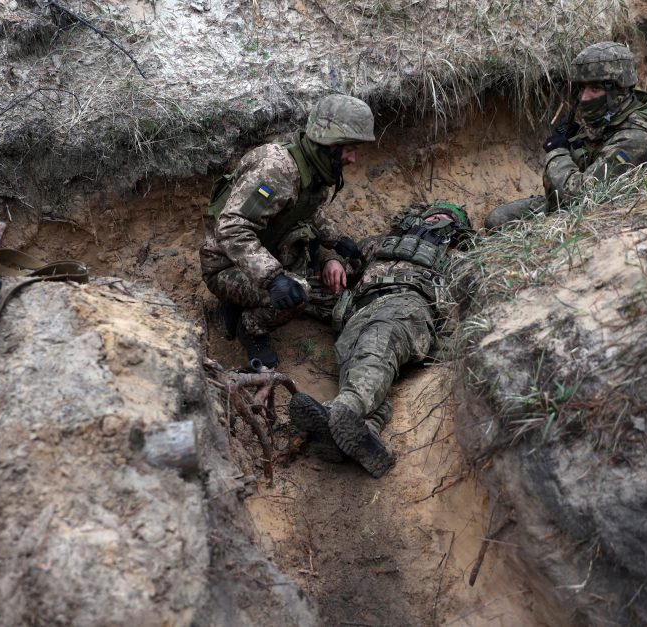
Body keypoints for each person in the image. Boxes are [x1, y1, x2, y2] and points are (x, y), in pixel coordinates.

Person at [288, 202, 475, 477]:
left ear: (455, 227)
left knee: (378, 340)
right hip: (361, 308)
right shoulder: (380, 244)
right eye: (432, 213)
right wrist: (334, 262)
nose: (436, 217)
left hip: (410, 305)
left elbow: (470, 305)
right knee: (354, 353)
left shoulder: (458, 258)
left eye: (446, 216)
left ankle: (343, 407)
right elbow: (346, 262)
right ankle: (366, 432)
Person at [199, 94, 376, 368]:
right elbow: (233, 227)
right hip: (226, 265)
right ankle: (250, 329)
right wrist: (273, 278)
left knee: (338, 283)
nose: (353, 158)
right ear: (329, 143)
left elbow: (307, 211)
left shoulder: (315, 170)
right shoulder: (276, 170)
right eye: (349, 148)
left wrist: (337, 241)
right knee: (298, 293)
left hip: (268, 252)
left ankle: (243, 302)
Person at [484, 41, 647, 230]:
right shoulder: (616, 114)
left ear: (618, 90)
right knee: (496, 219)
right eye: (582, 88)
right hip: (583, 201)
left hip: (598, 215)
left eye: (595, 88)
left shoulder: (635, 140)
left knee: (500, 224)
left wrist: (557, 151)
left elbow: (579, 197)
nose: (584, 97)